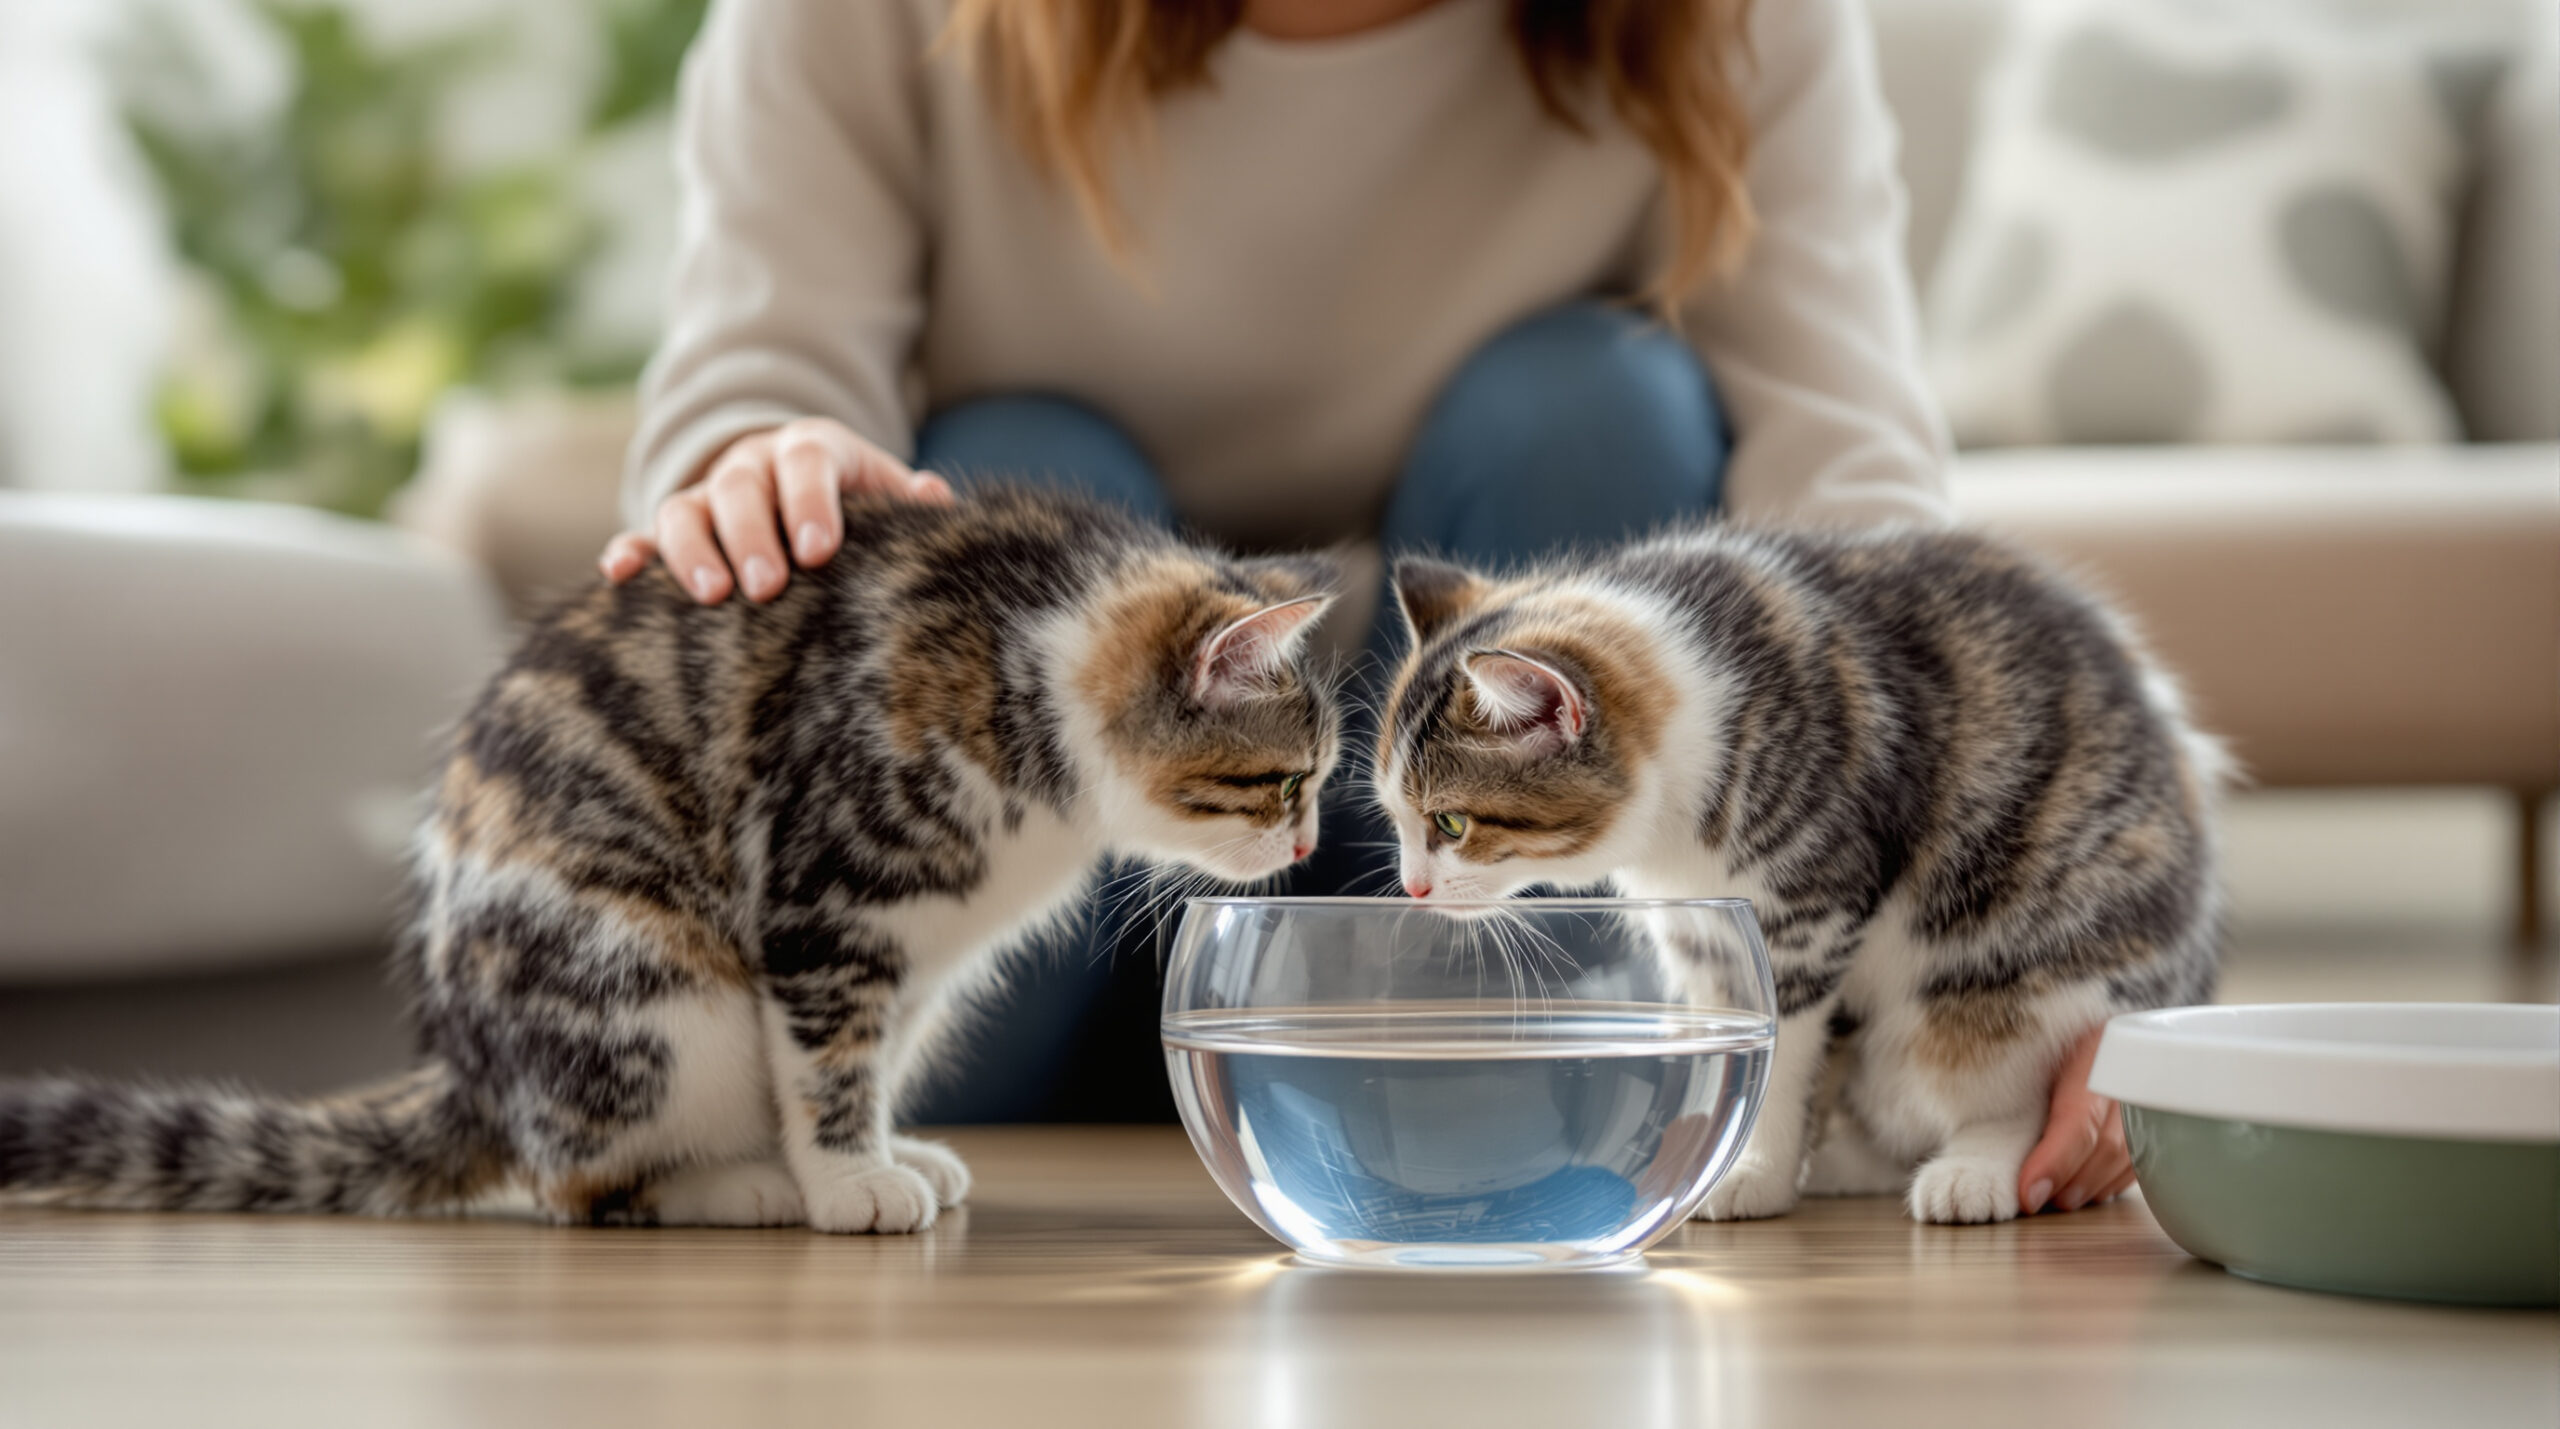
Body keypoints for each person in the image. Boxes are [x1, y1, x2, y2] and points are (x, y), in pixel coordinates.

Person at [601, 0, 2134, 1215]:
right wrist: (762, 471)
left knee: (1591, 415)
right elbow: (767, 361)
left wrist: (2080, 950)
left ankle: (1526, 1113)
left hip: (1452, 867)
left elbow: (1857, 534)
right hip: (1041, 885)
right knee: (1025, 484)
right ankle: (947, 1120)